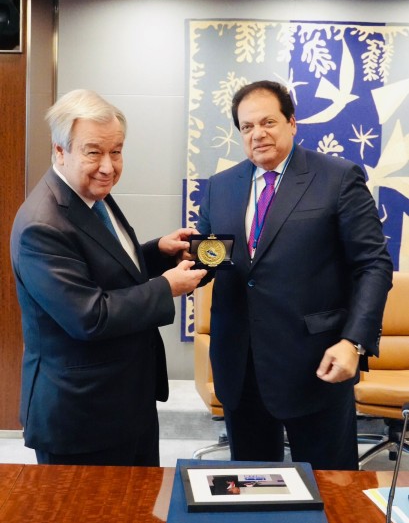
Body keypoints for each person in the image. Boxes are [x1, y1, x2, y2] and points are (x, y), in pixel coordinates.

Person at [196, 80, 393, 470]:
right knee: (252, 486)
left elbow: (373, 264)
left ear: (291, 122)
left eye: (267, 122)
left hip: (316, 364)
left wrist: (353, 342)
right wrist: (175, 263)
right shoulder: (220, 187)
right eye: (247, 126)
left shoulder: (337, 178)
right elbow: (209, 259)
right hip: (241, 367)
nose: (257, 134)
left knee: (330, 487)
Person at [10, 88, 207, 466]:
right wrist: (167, 287)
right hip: (81, 416)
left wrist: (157, 252)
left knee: (139, 501)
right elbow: (90, 316)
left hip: (126, 400)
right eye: (93, 152)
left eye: (116, 151)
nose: (108, 166)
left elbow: (106, 270)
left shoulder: (91, 194)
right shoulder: (42, 225)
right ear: (60, 151)